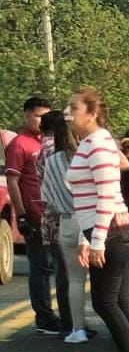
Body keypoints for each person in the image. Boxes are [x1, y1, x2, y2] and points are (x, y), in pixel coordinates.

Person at [66, 87, 129, 352]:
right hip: (109, 229)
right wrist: (85, 238)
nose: (68, 113)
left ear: (91, 113)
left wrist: (97, 240)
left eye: (73, 108)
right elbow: (86, 199)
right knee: (121, 301)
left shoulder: (98, 143)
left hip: (111, 231)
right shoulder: (94, 142)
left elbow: (105, 195)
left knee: (106, 302)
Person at [6, 96, 70, 335]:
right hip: (34, 215)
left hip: (53, 215)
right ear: (26, 115)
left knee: (59, 267)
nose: (41, 121)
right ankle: (44, 318)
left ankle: (63, 315)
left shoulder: (50, 142)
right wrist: (21, 215)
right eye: (37, 116)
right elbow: (13, 181)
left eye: (46, 116)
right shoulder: (20, 144)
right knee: (41, 267)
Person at [41, 110, 96, 344]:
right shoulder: (86, 157)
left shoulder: (51, 160)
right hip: (88, 218)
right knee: (102, 279)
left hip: (65, 221)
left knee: (74, 280)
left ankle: (77, 329)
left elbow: (47, 197)